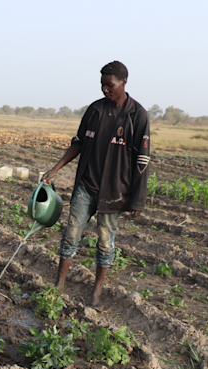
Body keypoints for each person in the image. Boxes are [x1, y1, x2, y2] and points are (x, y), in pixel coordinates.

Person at [42, 61, 150, 308]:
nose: (105, 90)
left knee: (105, 243)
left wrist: (137, 200)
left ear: (124, 83)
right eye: (102, 85)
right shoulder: (94, 110)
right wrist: (55, 169)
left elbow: (142, 161)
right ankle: (59, 283)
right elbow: (78, 143)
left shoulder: (138, 115)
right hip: (86, 186)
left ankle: (96, 294)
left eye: (109, 85)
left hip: (114, 192)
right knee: (70, 235)